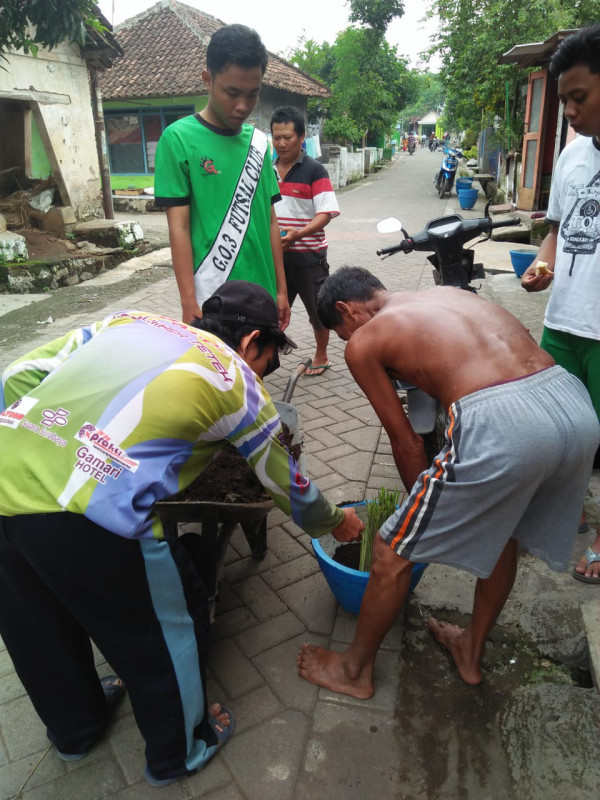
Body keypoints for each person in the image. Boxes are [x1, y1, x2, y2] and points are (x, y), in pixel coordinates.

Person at [0, 281, 363, 785]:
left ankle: (75, 730)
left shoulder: (129, 320)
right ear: (252, 341)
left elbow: (18, 375)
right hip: (96, 516)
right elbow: (285, 481)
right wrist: (334, 521)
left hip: (4, 479)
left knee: (35, 624)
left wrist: (42, 441)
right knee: (166, 627)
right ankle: (181, 750)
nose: (263, 376)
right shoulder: (235, 379)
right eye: (268, 362)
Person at [296, 267, 599, 699]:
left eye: (342, 332)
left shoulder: (365, 340)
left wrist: (417, 517)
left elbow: (406, 444)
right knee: (503, 531)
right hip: (571, 403)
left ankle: (352, 671)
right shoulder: (446, 294)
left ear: (346, 310)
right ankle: (470, 653)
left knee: (390, 548)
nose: (348, 341)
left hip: (504, 423)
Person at [521, 24, 600, 585]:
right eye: (564, 99)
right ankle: (568, 510)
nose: (570, 111)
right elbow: (556, 227)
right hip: (563, 321)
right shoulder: (572, 155)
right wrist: (542, 266)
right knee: (561, 431)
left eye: (580, 97)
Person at [154, 24, 290, 330]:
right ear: (207, 79)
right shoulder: (177, 140)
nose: (242, 105)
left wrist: (282, 290)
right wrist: (188, 301)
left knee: (259, 376)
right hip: (213, 298)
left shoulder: (258, 142)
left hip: (263, 295)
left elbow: (270, 220)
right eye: (231, 93)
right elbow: (179, 227)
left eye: (252, 94)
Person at [270, 105, 340, 377]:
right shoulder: (267, 170)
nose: (281, 143)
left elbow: (326, 214)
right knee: (271, 307)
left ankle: (321, 355)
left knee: (318, 310)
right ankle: (267, 354)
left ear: (301, 137)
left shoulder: (314, 170)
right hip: (276, 257)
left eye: (287, 137)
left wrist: (298, 234)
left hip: (310, 256)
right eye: (276, 137)